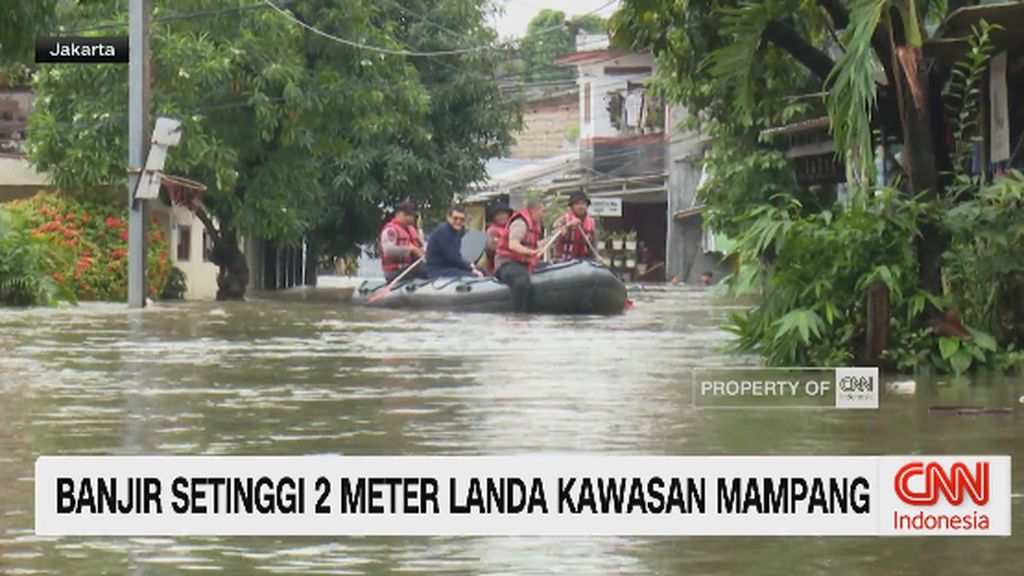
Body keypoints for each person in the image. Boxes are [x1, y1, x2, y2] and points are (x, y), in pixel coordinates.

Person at [494, 198, 568, 313]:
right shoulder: (520, 223)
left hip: (523, 264)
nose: (543, 215)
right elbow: (513, 245)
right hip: (506, 263)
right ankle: (519, 316)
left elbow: (536, 245)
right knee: (521, 282)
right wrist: (531, 252)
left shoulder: (534, 225)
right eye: (542, 211)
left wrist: (556, 237)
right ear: (534, 210)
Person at [425, 205, 485, 280]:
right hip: (438, 270)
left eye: (462, 219)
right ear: (448, 217)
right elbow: (453, 257)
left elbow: (460, 254)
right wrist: (470, 268)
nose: (458, 221)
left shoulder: (458, 232)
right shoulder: (443, 232)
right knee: (473, 276)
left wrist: (470, 264)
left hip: (451, 268)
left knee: (482, 270)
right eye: (455, 218)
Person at [379, 201, 425, 283]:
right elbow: (388, 250)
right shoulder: (390, 230)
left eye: (411, 215)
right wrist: (410, 249)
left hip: (409, 268)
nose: (409, 218)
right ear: (397, 214)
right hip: (394, 272)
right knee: (425, 272)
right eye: (406, 215)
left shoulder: (412, 230)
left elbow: (421, 247)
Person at [552, 190, 598, 261]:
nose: (581, 206)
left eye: (583, 203)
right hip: (563, 261)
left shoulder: (591, 222)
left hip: (582, 263)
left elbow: (593, 244)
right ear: (572, 206)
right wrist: (568, 226)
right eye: (577, 204)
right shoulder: (563, 220)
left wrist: (596, 257)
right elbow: (555, 240)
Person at [483, 202, 511, 274]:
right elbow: (492, 246)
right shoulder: (492, 230)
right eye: (498, 215)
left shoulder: (511, 228)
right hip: (497, 268)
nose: (501, 217)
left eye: (504, 214)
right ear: (494, 217)